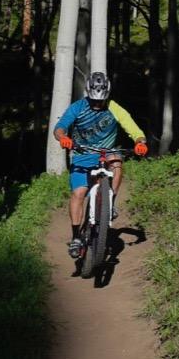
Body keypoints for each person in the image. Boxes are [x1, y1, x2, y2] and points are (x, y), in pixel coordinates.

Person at [53, 69, 149, 260]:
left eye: (101, 101)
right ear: (88, 94)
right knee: (78, 193)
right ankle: (75, 238)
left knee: (117, 161)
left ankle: (110, 201)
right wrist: (63, 138)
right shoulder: (77, 107)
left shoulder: (114, 107)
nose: (98, 105)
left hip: (106, 152)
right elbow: (60, 128)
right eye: (94, 101)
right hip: (82, 154)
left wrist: (140, 141)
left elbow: (131, 126)